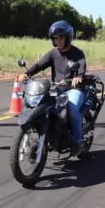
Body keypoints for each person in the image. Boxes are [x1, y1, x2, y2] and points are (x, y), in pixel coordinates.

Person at [18, 20, 86, 157]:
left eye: (61, 38)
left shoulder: (78, 54)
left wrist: (78, 77)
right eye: (55, 38)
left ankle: (77, 142)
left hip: (73, 89)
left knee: (71, 109)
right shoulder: (53, 53)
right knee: (42, 105)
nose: (58, 41)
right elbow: (39, 65)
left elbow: (81, 69)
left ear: (68, 38)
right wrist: (27, 74)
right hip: (56, 88)